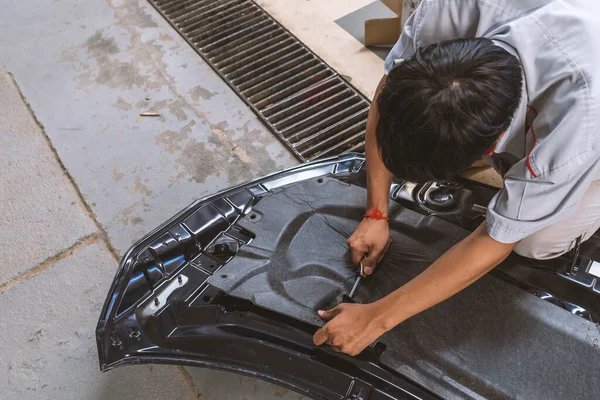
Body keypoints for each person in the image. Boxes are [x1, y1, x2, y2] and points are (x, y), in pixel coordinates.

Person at [313, 0, 600, 356]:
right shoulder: (447, 11)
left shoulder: (579, 122)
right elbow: (389, 97)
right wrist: (376, 211)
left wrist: (376, 319)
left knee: (535, 242)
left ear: (492, 145)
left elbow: (499, 238)